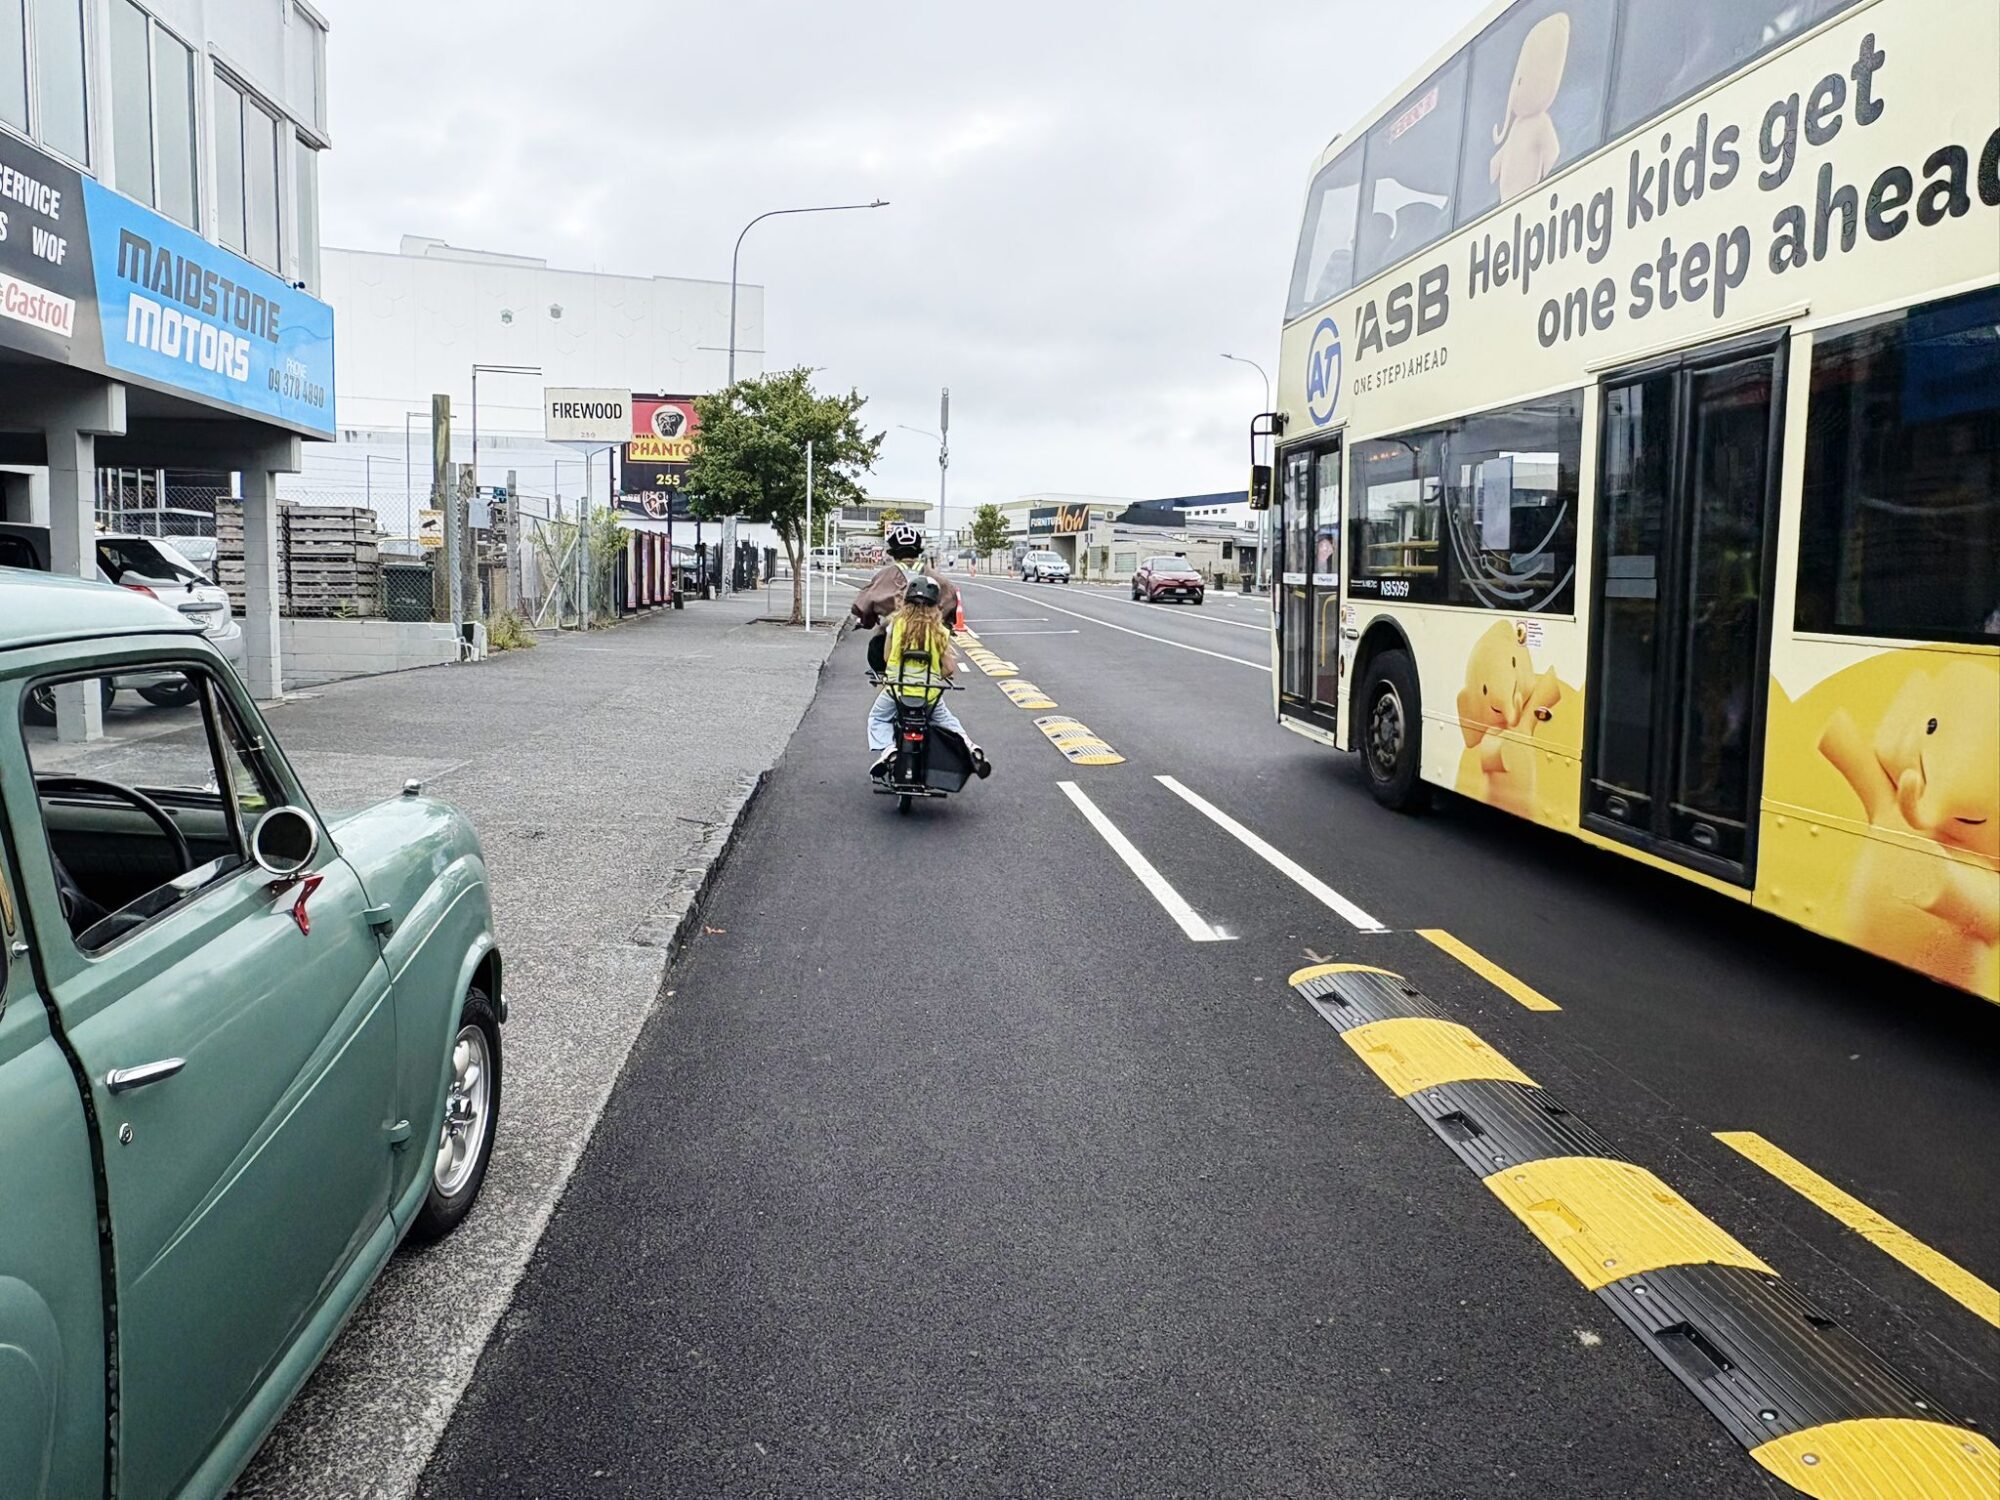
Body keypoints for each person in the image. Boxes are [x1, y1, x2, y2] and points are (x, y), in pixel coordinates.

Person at [869, 575, 991, 780]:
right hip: (929, 694)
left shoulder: (896, 625)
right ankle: (971, 748)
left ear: (907, 601)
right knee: (948, 722)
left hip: (897, 690)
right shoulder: (940, 631)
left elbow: (887, 657)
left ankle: (889, 750)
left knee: (878, 718)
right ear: (936, 605)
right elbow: (949, 668)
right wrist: (933, 676)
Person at [852, 523, 960, 644]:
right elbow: (951, 600)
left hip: (894, 635)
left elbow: (864, 603)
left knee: (876, 646)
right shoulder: (937, 577)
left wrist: (867, 621)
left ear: (893, 553)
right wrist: (944, 621)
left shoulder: (884, 576)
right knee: (944, 656)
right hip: (930, 635)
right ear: (918, 551)